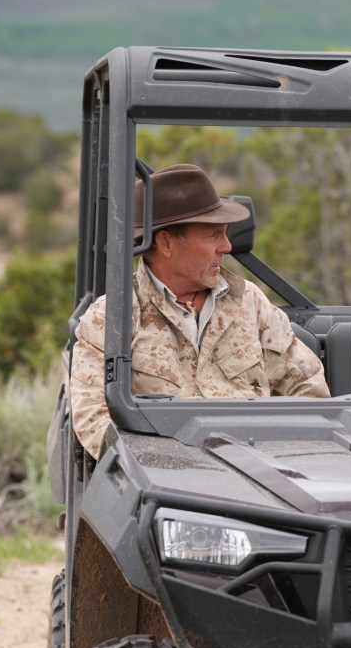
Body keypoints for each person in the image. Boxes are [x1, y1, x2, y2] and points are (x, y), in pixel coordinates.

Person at [70, 164, 329, 458]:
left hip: (262, 471)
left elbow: (309, 390)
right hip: (167, 478)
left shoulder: (250, 302)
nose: (226, 246)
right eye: (213, 235)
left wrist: (286, 456)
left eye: (225, 234)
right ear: (166, 242)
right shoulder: (111, 317)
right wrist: (163, 466)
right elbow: (95, 419)